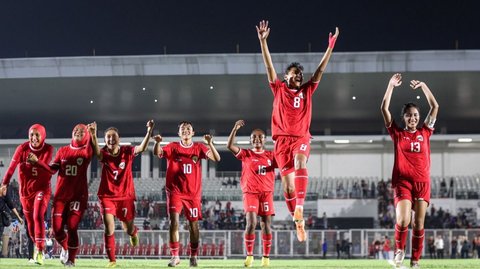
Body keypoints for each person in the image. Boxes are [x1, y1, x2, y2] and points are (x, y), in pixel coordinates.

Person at [256, 20, 339, 241]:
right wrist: (263, 42)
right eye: (294, 73)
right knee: (288, 187)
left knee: (301, 162)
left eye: (300, 74)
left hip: (301, 137)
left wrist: (330, 48)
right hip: (281, 142)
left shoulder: (308, 90)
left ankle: (300, 209)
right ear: (286, 77)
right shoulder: (278, 88)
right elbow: (268, 66)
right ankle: (297, 220)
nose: (298, 76)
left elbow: (320, 70)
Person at [381, 73, 439, 268]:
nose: (413, 118)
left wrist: (423, 85)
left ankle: (415, 261)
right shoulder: (397, 133)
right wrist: (390, 86)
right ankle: (399, 250)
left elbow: (435, 106)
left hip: (423, 182)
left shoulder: (425, 131)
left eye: (415, 115)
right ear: (403, 117)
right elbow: (384, 108)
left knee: (419, 224)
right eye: (409, 115)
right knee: (403, 219)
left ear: (418, 117)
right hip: (402, 181)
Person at [153, 121, 220, 267]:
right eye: (182, 129)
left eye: (188, 128)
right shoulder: (172, 146)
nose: (185, 130)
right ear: (179, 133)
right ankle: (175, 256)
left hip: (192, 194)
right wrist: (158, 143)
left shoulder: (199, 147)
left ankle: (193, 256)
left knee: (193, 226)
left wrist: (210, 143)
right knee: (173, 223)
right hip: (175, 191)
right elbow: (157, 153)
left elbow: (217, 158)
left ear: (193, 133)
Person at [88, 120, 154, 268]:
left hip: (125, 196)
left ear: (119, 138)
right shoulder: (104, 153)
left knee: (127, 229)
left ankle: (134, 233)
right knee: (108, 227)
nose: (111, 139)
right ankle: (112, 260)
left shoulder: (127, 151)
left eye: (113, 136)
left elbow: (142, 148)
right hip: (107, 196)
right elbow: (97, 153)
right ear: (105, 140)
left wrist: (149, 132)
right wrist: (93, 134)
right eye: (108, 137)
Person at [28, 124, 92, 267]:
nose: (78, 132)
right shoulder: (63, 151)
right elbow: (51, 170)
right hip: (61, 197)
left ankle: (71, 261)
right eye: (76, 129)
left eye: (82, 131)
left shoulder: (86, 151)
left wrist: (92, 134)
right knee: (57, 231)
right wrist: (38, 162)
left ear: (86, 136)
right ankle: (65, 248)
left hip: (78, 197)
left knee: (72, 227)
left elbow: (91, 148)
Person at [0, 124, 54, 265]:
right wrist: (4, 183)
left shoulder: (48, 149)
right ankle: (37, 246)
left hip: (42, 189)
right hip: (25, 192)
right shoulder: (22, 148)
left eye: (37, 134)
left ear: (43, 135)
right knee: (30, 225)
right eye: (32, 134)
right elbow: (11, 168)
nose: (34, 137)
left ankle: (41, 252)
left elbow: (49, 170)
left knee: (38, 215)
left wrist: (37, 162)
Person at [226, 120, 276, 267]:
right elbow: (229, 146)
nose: (257, 139)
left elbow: (286, 162)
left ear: (265, 139)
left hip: (266, 193)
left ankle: (266, 258)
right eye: (254, 137)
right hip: (250, 193)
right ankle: (249, 256)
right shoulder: (246, 154)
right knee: (251, 224)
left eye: (260, 137)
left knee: (266, 225)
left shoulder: (271, 155)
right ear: (250, 140)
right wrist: (235, 129)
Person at [0, 187, 24, 253]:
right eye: (4, 190)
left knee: (0, 234)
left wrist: (19, 217)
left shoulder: (5, 197)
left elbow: (12, 206)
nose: (6, 192)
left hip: (1, 219)